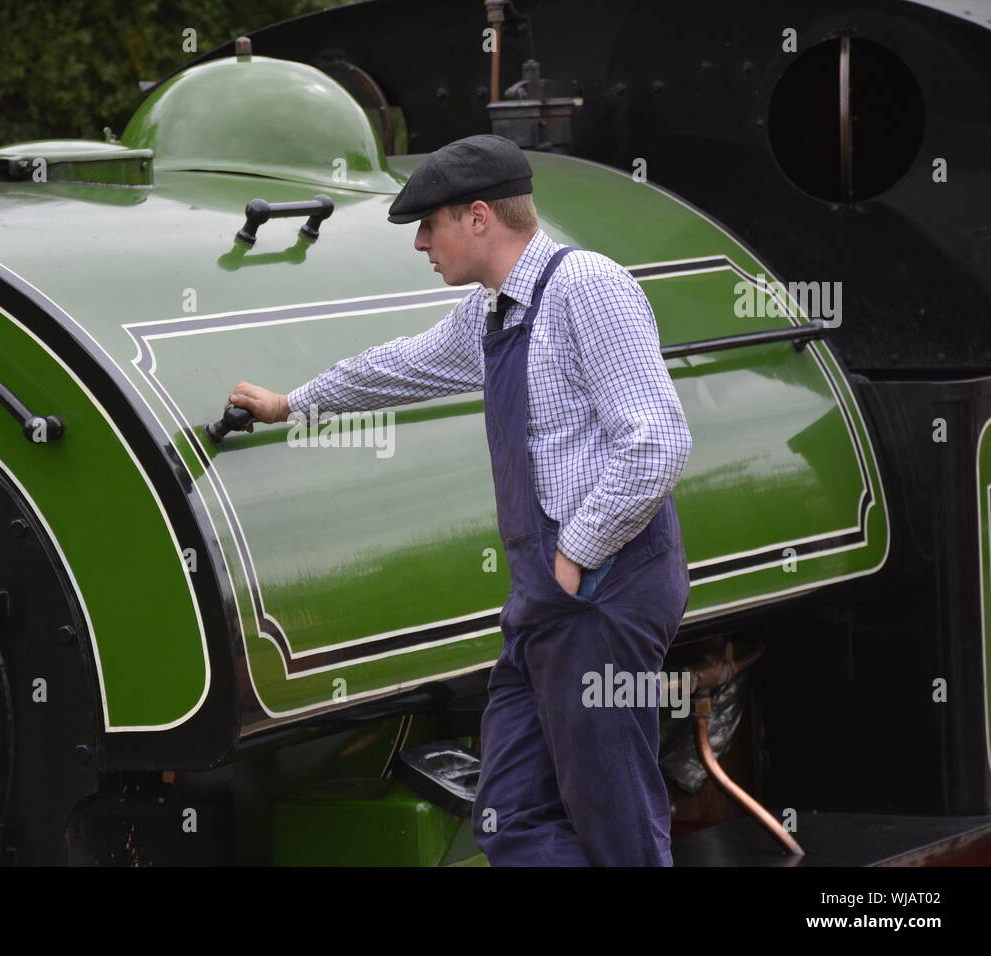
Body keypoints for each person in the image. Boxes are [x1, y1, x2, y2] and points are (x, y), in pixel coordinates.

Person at [227, 133, 692, 866]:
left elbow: (658, 441)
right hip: (545, 599)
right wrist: (294, 404)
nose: (419, 243)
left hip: (604, 592)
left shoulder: (588, 288)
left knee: (616, 821)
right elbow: (399, 368)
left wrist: (575, 555)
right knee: (507, 817)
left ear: (479, 217)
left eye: (429, 224)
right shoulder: (492, 313)